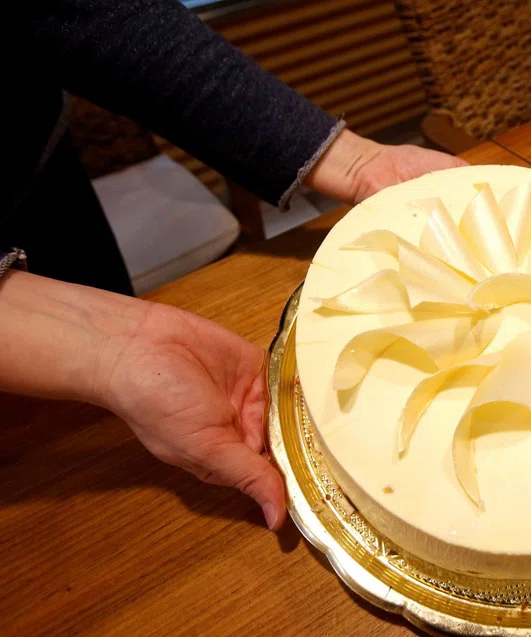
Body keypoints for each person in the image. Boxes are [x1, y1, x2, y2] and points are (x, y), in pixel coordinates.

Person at [1, 0, 466, 531]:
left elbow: (89, 12)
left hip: (34, 175)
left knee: (87, 405)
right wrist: (107, 352)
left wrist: (358, 163)